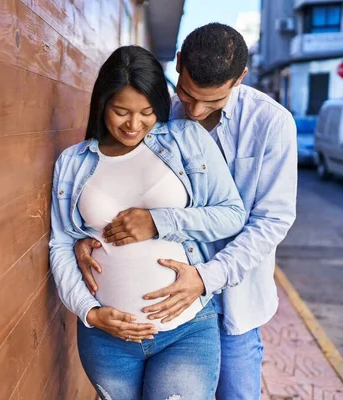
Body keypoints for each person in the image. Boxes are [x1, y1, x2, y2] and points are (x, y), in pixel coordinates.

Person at [75, 23, 297, 399]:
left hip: (235, 301)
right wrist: (87, 236)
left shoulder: (271, 124)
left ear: (239, 78)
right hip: (159, 313)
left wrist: (206, 276)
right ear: (178, 63)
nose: (194, 111)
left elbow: (271, 220)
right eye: (187, 94)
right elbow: (122, 184)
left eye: (212, 103)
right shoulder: (157, 113)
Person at [49, 45, 246, 399]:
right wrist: (89, 311)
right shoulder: (72, 162)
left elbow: (232, 213)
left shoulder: (187, 139)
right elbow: (62, 242)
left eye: (147, 112)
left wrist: (159, 221)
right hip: (106, 339)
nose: (133, 124)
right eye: (120, 111)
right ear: (102, 104)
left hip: (184, 329)